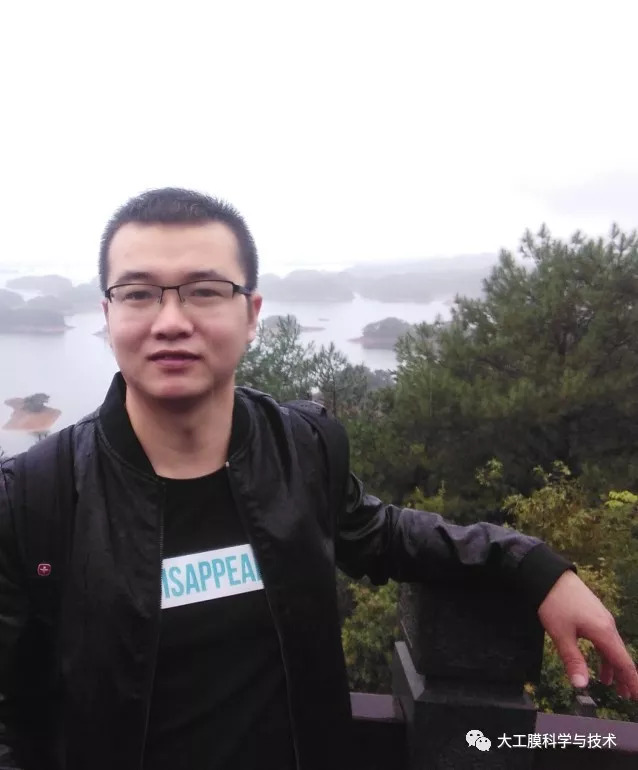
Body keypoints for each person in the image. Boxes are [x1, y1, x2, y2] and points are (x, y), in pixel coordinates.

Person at [0, 188, 636, 770]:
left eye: (204, 290)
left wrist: (530, 566)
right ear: (108, 313)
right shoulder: (33, 498)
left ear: (251, 314)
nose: (170, 320)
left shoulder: (301, 450)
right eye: (139, 293)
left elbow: (380, 532)